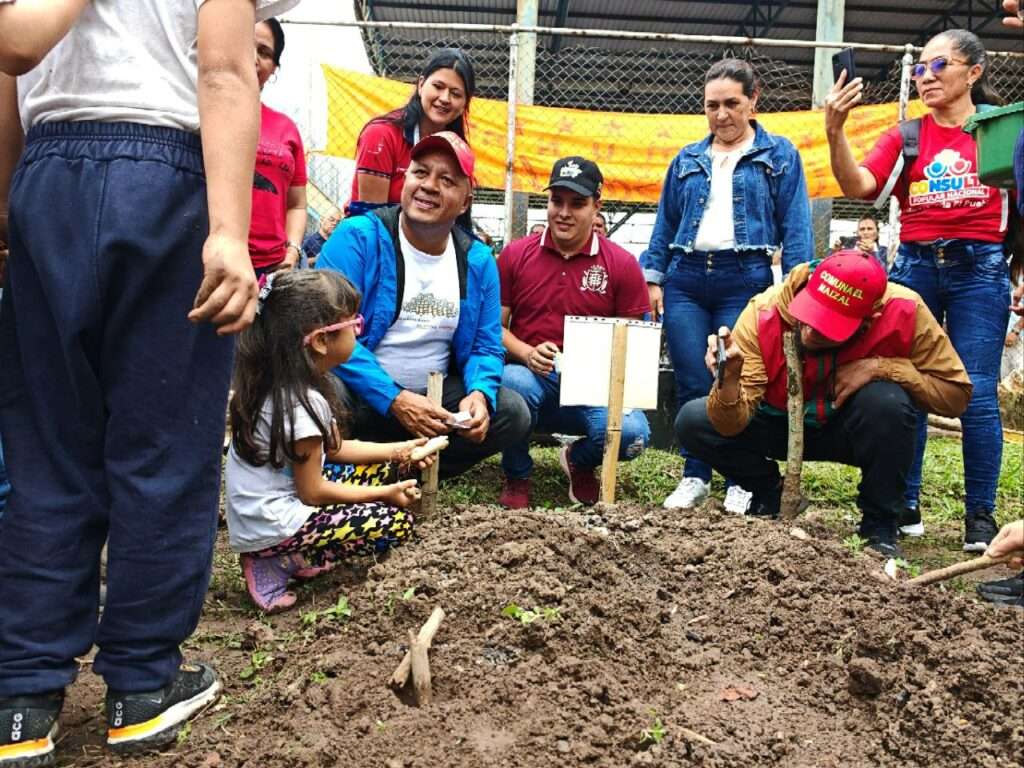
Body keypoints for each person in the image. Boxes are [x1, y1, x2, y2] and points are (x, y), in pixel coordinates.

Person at [0, 1, 298, 763]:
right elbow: (227, 69)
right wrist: (230, 231)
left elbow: (6, 70)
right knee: (163, 447)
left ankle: (23, 698)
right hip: (166, 174)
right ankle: (140, 685)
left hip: (50, 173)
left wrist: (8, 208)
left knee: (46, 450)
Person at [825, 29, 1016, 551]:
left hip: (981, 267)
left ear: (973, 73)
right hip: (914, 267)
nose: (925, 77)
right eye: (919, 69)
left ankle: (980, 515)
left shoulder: (1000, 132)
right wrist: (835, 130)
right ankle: (901, 503)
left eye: (938, 66)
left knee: (974, 390)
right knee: (905, 383)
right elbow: (858, 187)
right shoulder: (907, 134)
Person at [677, 251, 972, 558]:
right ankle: (770, 494)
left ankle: (879, 523)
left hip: (849, 430)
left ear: (868, 319)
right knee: (695, 420)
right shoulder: (765, 312)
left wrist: (882, 368)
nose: (810, 331)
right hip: (775, 424)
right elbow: (729, 425)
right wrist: (729, 381)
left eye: (828, 326)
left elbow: (956, 395)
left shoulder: (905, 310)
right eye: (811, 313)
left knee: (889, 403)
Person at [642, 58, 813, 515]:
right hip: (686, 278)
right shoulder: (687, 159)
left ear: (754, 100)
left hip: (747, 278)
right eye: (712, 106)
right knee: (692, 379)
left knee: (734, 376)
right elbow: (666, 222)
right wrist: (653, 277)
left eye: (732, 103)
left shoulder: (780, 156)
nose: (722, 115)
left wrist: (798, 288)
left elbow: (795, 226)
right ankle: (695, 475)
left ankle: (741, 477)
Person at [316, 131, 530, 478]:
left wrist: (479, 393)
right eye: (420, 173)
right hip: (361, 398)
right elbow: (326, 332)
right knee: (319, 396)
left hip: (434, 404)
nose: (429, 185)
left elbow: (486, 345)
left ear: (465, 202)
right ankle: (344, 471)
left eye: (447, 180)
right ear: (405, 180)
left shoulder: (477, 260)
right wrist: (395, 399)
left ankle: (398, 473)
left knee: (511, 411)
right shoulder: (358, 237)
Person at [226, 270, 429, 613]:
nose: (357, 331)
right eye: (354, 324)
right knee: (394, 523)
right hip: (272, 522)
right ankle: (278, 560)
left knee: (384, 471)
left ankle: (293, 551)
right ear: (321, 340)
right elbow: (313, 492)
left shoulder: (294, 383)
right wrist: (383, 495)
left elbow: (335, 450)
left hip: (280, 507)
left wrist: (400, 452)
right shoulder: (298, 405)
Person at [497, 157, 651, 508]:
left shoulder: (622, 265)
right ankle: (517, 473)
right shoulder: (515, 255)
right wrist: (525, 352)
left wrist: (600, 372)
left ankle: (578, 461)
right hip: (532, 376)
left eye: (577, 203)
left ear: (597, 206)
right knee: (509, 385)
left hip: (592, 386)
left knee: (633, 435)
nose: (564, 213)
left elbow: (637, 342)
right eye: (557, 201)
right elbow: (492, 326)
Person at [348, 48, 475, 215]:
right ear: (421, 85)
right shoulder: (381, 135)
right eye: (438, 86)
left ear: (465, 103)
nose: (445, 98)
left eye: (456, 94)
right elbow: (373, 221)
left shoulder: (460, 151)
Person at [249, 17, 307, 277]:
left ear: (274, 68)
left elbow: (297, 204)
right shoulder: (197, 117)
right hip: (208, 258)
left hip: (272, 268)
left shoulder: (286, 129)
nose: (253, 58)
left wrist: (292, 251)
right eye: (242, 44)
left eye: (264, 52)